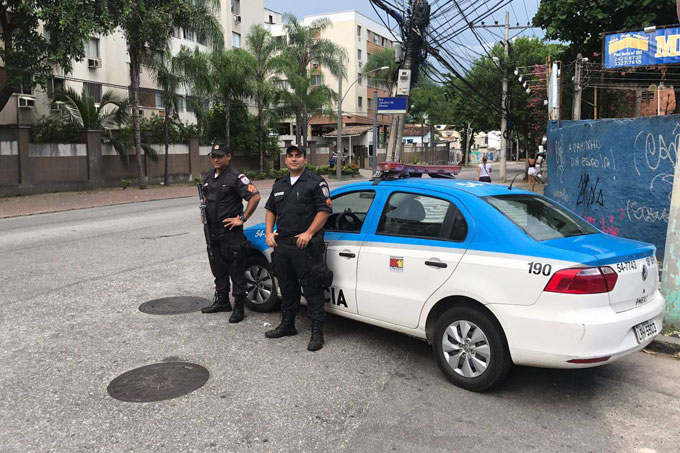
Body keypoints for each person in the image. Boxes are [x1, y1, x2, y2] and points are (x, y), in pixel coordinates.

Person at [264, 144, 333, 351]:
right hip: (283, 246)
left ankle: (316, 332)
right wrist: (269, 233)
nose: (294, 159)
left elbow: (325, 210)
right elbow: (270, 209)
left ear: (305, 159)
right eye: (290, 156)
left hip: (306, 247)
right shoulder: (280, 183)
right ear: (285, 160)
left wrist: (309, 232)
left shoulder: (315, 182)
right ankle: (288, 325)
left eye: (298, 156)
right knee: (287, 287)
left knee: (312, 289)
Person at [200, 143, 261, 323]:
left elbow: (255, 197)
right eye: (213, 156)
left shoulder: (236, 177)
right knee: (218, 267)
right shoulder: (209, 175)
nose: (216, 159)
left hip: (230, 232)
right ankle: (222, 301)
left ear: (228, 156)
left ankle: (239, 307)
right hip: (213, 230)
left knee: (235, 268)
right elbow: (206, 197)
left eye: (220, 156)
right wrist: (203, 214)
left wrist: (241, 219)